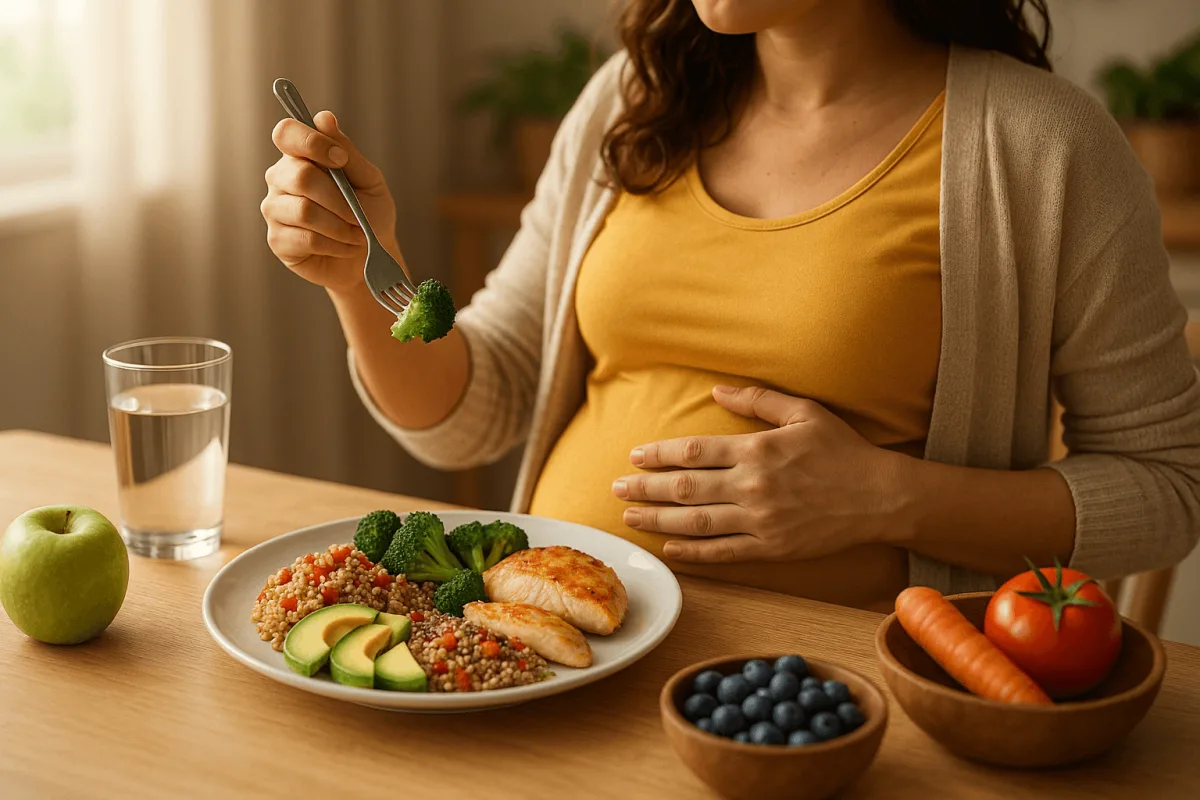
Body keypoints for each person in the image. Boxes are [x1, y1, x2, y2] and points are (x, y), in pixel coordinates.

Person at [261, 0, 1200, 612]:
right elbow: (477, 408)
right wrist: (359, 273)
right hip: (550, 654)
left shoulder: (1042, 146)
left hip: (833, 697)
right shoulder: (630, 101)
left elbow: (1168, 488)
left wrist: (886, 500)